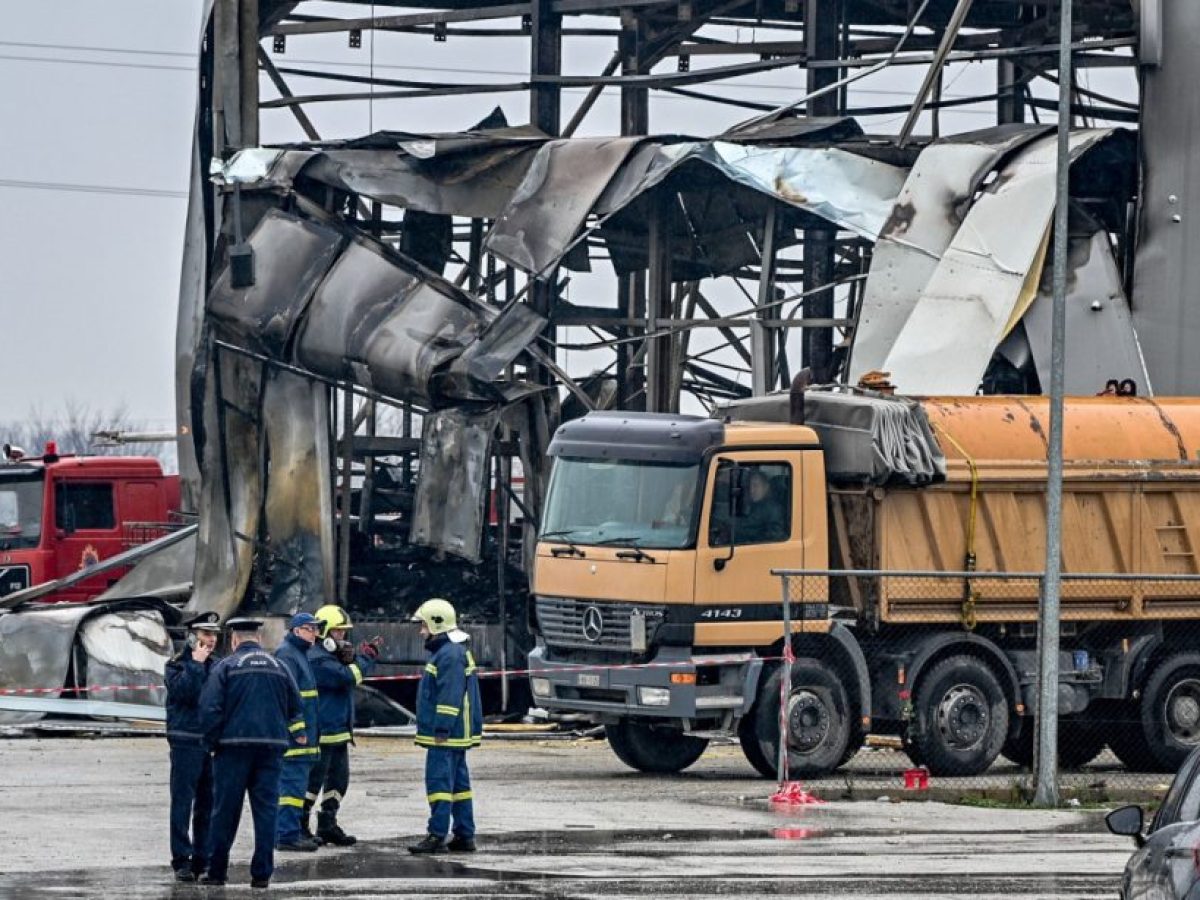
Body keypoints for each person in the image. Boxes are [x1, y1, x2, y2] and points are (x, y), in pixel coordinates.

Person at [197, 618, 306, 889]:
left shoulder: (226, 667)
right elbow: (296, 705)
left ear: (234, 640)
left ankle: (217, 871)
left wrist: (211, 744)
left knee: (225, 812)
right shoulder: (280, 667)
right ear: (258, 639)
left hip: (232, 750)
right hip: (271, 750)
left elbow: (210, 709)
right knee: (267, 812)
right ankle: (261, 875)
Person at [407, 598, 482, 855]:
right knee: (459, 787)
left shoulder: (449, 654)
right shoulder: (453, 651)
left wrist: (441, 728)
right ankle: (464, 834)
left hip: (446, 736)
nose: (421, 631)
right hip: (456, 734)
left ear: (437, 624)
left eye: (424, 626)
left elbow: (449, 696)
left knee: (439, 783)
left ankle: (436, 835)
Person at [305, 604, 380, 847]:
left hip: (338, 732)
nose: (341, 638)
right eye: (337, 632)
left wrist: (356, 658)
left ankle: (327, 824)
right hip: (322, 733)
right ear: (323, 633)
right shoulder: (316, 659)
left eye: (344, 633)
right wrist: (366, 658)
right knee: (312, 783)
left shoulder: (332, 658)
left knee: (338, 782)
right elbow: (348, 677)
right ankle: (299, 825)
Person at [164, 620, 222, 883]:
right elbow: (185, 693)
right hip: (186, 742)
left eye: (214, 635)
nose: (211, 640)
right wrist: (196, 664)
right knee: (182, 804)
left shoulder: (219, 665)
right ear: (192, 637)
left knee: (208, 806)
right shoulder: (177, 665)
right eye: (205, 634)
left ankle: (203, 858)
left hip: (211, 743)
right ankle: (181, 860)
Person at [274, 612, 322, 853]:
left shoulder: (300, 654)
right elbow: (288, 696)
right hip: (295, 737)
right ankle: (286, 835)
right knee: (291, 788)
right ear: (296, 631)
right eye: (310, 629)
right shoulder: (287, 654)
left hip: (306, 735)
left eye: (315, 629)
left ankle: (291, 831)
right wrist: (298, 729)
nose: (315, 633)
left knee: (297, 785)